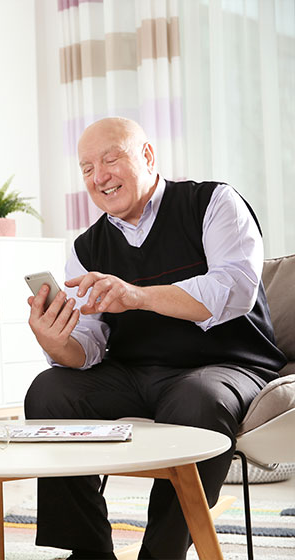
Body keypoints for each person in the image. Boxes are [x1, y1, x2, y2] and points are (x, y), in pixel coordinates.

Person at [24, 117, 285, 560]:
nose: (99, 176)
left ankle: (162, 554)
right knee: (49, 391)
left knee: (198, 399)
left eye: (110, 159)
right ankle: (88, 552)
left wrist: (137, 296)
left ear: (147, 156)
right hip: (134, 374)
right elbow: (86, 345)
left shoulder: (212, 203)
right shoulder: (85, 247)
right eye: (86, 168)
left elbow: (235, 288)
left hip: (227, 365)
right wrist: (54, 340)